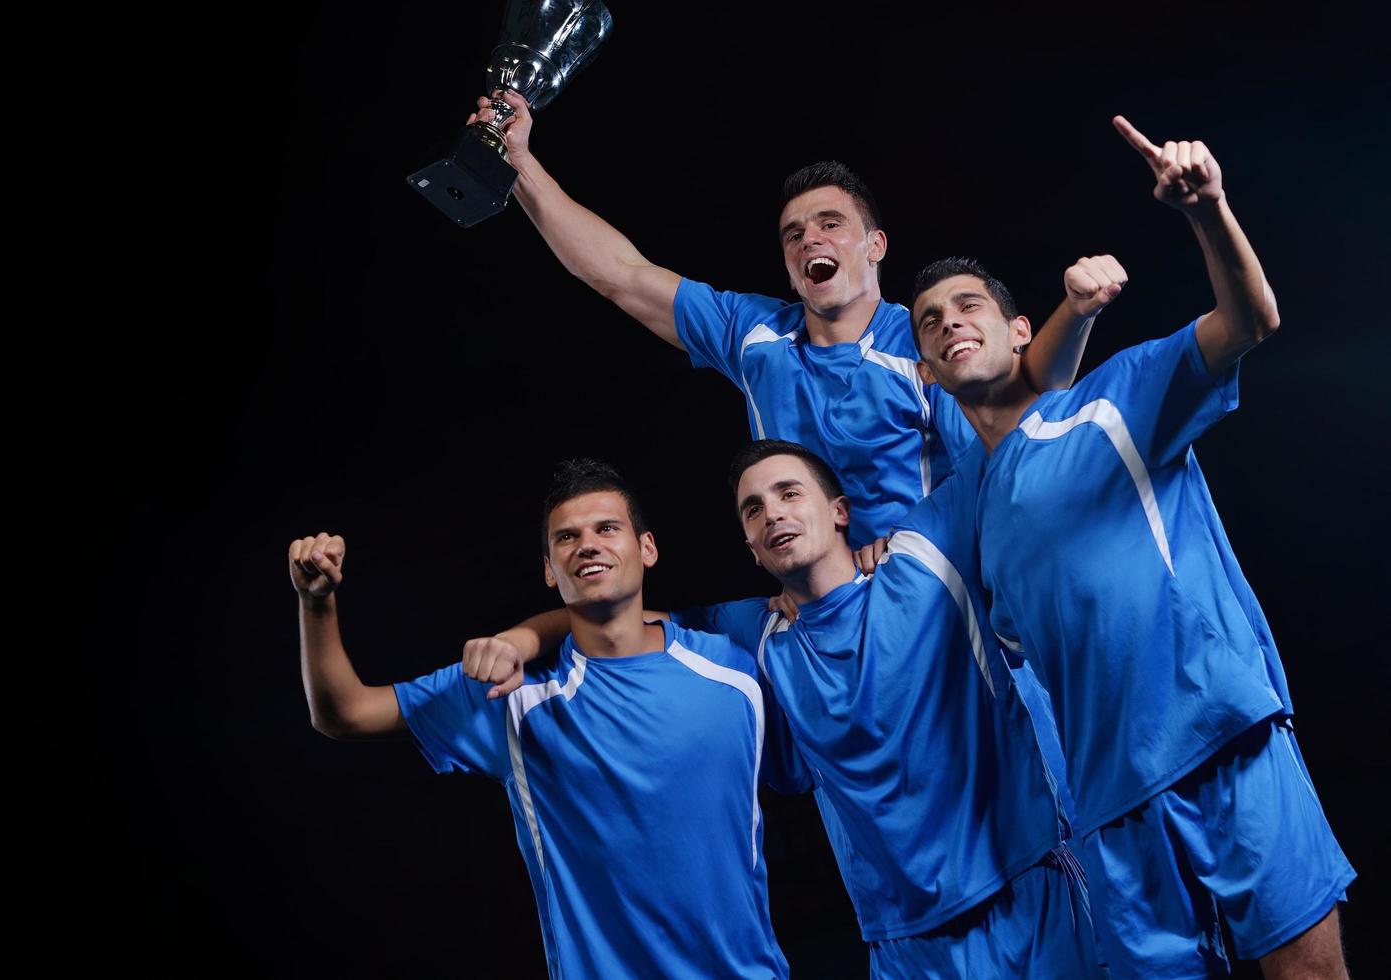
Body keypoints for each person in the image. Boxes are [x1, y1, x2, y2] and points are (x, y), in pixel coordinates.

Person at [908, 117, 1355, 978]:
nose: (948, 323)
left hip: (1223, 742)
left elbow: (1249, 320)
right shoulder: (973, 525)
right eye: (928, 321)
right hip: (1110, 809)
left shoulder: (1111, 401)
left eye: (969, 307)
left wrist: (1207, 210)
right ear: (924, 370)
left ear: (1015, 331)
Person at [469, 442, 1105, 978]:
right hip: (903, 934)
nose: (772, 513)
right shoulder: (750, 634)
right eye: (753, 508)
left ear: (839, 511)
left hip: (1029, 880)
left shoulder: (923, 555)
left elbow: (1014, 441)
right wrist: (523, 639)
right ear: (749, 544)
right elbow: (607, 609)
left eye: (788, 494)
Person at [468, 90, 1127, 547]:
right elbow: (618, 273)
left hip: (938, 593)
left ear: (874, 246)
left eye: (831, 224)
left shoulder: (930, 340)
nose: (810, 239)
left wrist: (910, 552)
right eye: (793, 234)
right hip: (818, 605)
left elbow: (1016, 427)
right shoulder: (754, 332)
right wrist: (519, 163)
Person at [291, 459, 793, 979]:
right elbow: (343, 713)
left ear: (647, 548)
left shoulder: (734, 664)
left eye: (606, 528)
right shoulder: (513, 695)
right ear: (550, 569)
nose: (588, 545)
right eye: (567, 538)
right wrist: (316, 602)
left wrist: (878, 552)